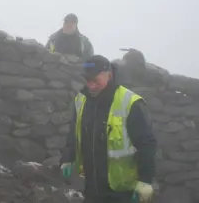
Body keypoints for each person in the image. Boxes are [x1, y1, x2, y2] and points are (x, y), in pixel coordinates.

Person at [60, 55, 157, 203]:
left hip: (122, 191)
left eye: (96, 81)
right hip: (92, 187)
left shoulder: (130, 103)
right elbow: (74, 132)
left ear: (109, 75)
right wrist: (68, 158)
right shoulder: (81, 99)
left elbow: (147, 144)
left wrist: (145, 180)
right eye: (88, 80)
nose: (91, 85)